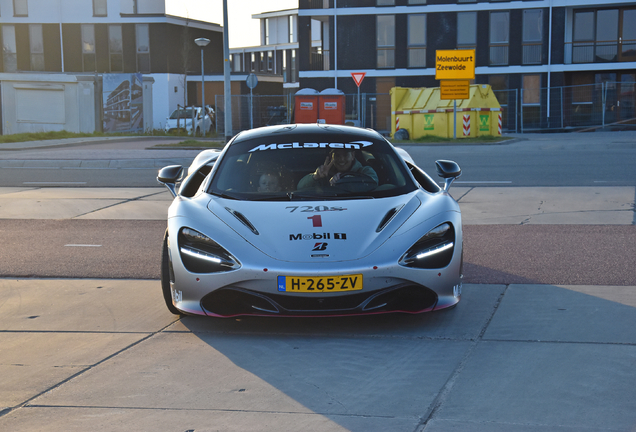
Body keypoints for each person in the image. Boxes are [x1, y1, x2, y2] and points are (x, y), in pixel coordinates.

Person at [298, 148, 378, 189]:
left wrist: (344, 181)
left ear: (353, 155)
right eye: (337, 155)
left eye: (346, 155)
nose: (341, 159)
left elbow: (374, 183)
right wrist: (316, 177)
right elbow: (300, 188)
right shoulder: (325, 175)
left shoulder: (365, 171)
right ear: (331, 157)